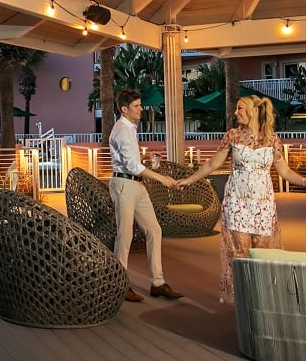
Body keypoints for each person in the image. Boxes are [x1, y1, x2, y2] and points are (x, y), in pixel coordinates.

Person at [176, 94, 306, 304]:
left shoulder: (272, 140)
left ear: (255, 111)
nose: (235, 113)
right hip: (237, 202)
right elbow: (212, 164)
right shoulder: (233, 136)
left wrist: (303, 181)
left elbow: (285, 172)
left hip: (263, 205)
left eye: (240, 109)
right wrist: (189, 180)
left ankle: (264, 300)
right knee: (239, 253)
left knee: (264, 254)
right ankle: (246, 301)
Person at [109, 88, 184, 302]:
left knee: (154, 230)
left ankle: (158, 283)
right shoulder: (122, 130)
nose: (141, 109)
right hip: (124, 183)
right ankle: (119, 285)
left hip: (136, 185)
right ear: (124, 109)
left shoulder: (130, 128)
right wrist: (163, 179)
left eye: (140, 105)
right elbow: (132, 165)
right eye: (136, 106)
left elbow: (134, 163)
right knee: (125, 236)